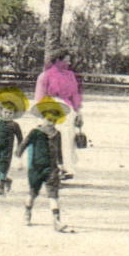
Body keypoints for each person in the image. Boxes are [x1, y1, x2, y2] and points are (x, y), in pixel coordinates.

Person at [17, 97, 73, 232]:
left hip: (51, 169)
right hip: (36, 168)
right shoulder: (35, 132)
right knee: (32, 193)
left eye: (54, 121)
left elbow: (59, 151)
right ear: (42, 118)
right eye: (48, 120)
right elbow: (22, 146)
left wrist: (61, 165)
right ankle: (27, 212)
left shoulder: (57, 134)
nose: (50, 124)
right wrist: (19, 160)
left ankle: (57, 220)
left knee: (53, 194)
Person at [34, 50, 83, 178]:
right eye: (66, 60)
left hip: (67, 109)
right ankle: (52, 169)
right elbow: (40, 97)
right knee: (52, 139)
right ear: (57, 61)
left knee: (68, 138)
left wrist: (78, 112)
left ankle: (67, 168)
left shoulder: (70, 75)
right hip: (50, 108)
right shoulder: (45, 76)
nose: (69, 63)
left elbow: (75, 95)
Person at [0, 89, 27, 195]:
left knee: (4, 165)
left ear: (14, 114)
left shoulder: (14, 125)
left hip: (7, 149)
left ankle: (1, 185)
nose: (8, 115)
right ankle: (6, 180)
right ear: (1, 111)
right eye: (6, 112)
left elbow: (20, 138)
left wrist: (19, 149)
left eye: (10, 113)